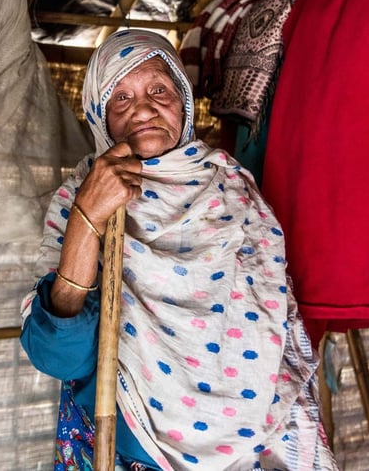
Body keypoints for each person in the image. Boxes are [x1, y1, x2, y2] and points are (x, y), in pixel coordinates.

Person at [20, 30, 337, 471]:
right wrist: (88, 216)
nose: (145, 109)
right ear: (100, 117)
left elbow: (274, 323)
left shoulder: (232, 189)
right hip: (126, 446)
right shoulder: (80, 194)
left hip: (248, 449)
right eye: (121, 99)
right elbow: (56, 357)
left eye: (158, 90)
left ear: (183, 102)